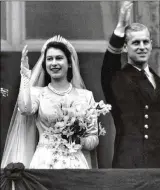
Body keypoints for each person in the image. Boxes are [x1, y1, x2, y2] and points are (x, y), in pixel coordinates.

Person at [1, 35, 99, 169]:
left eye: (59, 58)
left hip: (75, 163)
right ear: (45, 64)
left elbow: (93, 137)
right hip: (44, 162)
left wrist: (80, 141)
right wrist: (25, 75)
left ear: (69, 62)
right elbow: (24, 109)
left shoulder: (85, 96)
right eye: (49, 59)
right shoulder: (38, 93)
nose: (54, 63)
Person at [101, 1, 160, 168]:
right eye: (136, 43)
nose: (142, 47)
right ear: (125, 48)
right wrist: (120, 27)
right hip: (131, 167)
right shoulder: (119, 80)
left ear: (151, 44)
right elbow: (109, 66)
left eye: (145, 42)